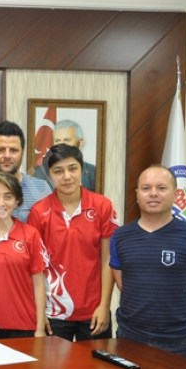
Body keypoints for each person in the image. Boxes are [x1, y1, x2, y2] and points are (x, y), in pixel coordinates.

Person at [110, 165, 186, 359]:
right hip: (130, 336)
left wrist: (180, 311)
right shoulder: (120, 236)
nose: (153, 193)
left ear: (175, 194)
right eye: (146, 188)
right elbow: (122, 284)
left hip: (177, 341)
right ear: (137, 194)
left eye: (161, 188)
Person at [27, 143, 119, 341]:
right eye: (58, 171)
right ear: (49, 175)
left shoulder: (102, 206)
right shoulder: (39, 212)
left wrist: (105, 305)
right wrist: (40, 313)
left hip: (94, 310)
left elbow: (108, 258)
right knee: (52, 363)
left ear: (82, 169)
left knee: (97, 362)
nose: (67, 176)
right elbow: (36, 268)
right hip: (54, 311)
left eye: (72, 168)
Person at [0, 171, 47, 339]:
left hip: (23, 324)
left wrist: (40, 327)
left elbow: (38, 283)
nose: (1, 203)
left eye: (8, 196)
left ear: (17, 201)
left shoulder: (31, 235)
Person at [34, 119, 97, 191]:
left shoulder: (94, 173)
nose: (61, 145)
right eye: (57, 141)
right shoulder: (39, 173)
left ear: (80, 143)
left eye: (66, 140)